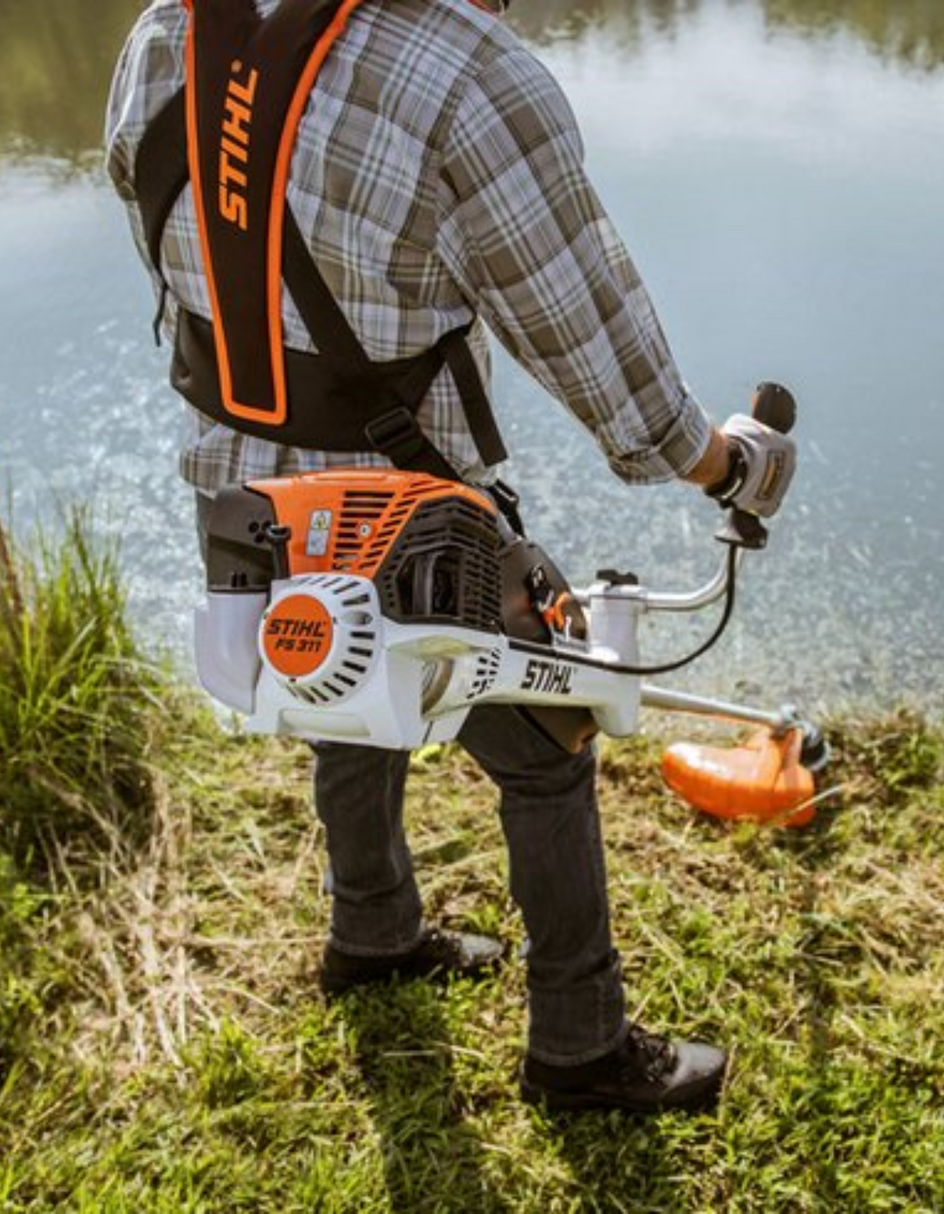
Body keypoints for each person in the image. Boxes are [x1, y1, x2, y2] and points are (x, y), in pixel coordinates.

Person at [105, 0, 794, 1113]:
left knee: (336, 686)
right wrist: (724, 463)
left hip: (238, 504)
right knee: (549, 743)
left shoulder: (172, 24)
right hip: (402, 515)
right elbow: (599, 352)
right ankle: (580, 1045)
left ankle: (371, 933)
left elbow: (159, 233)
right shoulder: (470, 75)